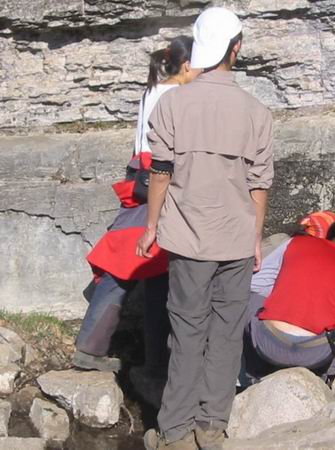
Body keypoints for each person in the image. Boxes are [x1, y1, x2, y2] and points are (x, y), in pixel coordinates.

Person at [137, 7, 273, 450]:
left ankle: (175, 430)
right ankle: (212, 426)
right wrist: (256, 237)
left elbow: (160, 172)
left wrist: (151, 226)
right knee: (227, 332)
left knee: (187, 331)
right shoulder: (257, 111)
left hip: (189, 239)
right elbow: (259, 184)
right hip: (236, 238)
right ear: (237, 48)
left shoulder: (173, 103)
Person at [73, 36, 196, 373]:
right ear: (187, 65)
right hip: (158, 186)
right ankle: (152, 362)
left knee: (143, 270)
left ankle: (142, 359)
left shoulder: (152, 91)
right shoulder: (177, 96)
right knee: (142, 271)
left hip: (140, 183)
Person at [243, 219, 335, 383]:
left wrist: (283, 289)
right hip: (315, 354)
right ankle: (330, 371)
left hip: (268, 345)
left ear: (328, 236)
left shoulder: (295, 243)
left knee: (251, 296)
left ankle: (253, 371)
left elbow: (255, 282)